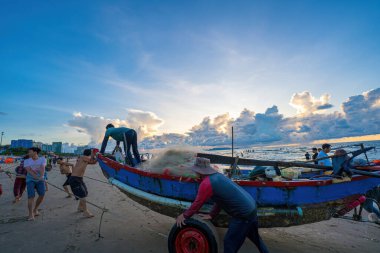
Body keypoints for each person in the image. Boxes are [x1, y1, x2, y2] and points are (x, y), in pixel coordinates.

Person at [176, 157, 269, 253]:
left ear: (199, 171)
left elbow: (197, 203)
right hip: (252, 208)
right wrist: (212, 214)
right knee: (256, 240)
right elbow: (221, 199)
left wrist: (184, 215)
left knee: (229, 243)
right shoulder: (218, 176)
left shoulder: (206, 184)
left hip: (242, 215)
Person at [69, 149, 97, 218]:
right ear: (89, 153)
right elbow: (91, 159)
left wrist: (96, 157)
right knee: (82, 195)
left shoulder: (85, 159)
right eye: (91, 153)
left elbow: (94, 162)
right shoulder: (83, 157)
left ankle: (80, 207)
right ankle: (85, 212)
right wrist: (94, 154)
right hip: (75, 178)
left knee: (85, 193)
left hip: (79, 178)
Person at [24, 147, 46, 221]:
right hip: (30, 180)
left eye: (30, 152)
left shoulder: (42, 159)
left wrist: (41, 176)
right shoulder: (26, 161)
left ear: (35, 152)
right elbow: (29, 171)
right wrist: (36, 177)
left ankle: (35, 209)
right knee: (31, 196)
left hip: (40, 179)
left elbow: (43, 168)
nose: (28, 153)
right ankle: (30, 214)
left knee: (42, 194)